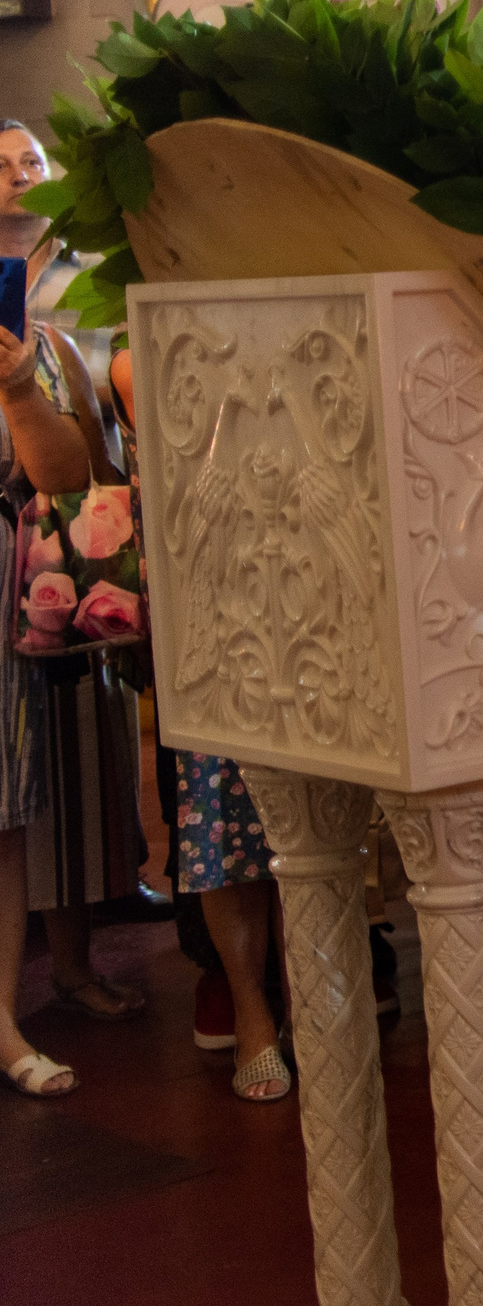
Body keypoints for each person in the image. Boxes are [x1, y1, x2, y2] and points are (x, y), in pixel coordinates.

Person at [0, 120, 151, 1098]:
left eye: (33, 159)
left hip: (60, 560)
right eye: (5, 161)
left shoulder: (65, 299)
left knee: (55, 775)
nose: (24, 172)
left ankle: (75, 951)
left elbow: (88, 454)